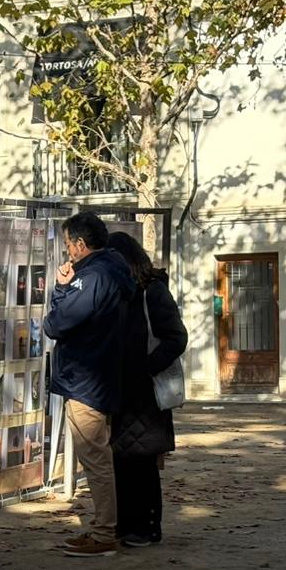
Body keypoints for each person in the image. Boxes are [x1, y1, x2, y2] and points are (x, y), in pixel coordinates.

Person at [43, 212, 136, 557]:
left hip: (86, 378)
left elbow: (57, 324)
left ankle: (103, 532)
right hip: (99, 374)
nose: (67, 252)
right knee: (98, 455)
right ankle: (104, 528)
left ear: (80, 245)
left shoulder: (93, 276)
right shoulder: (113, 271)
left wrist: (61, 289)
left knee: (94, 457)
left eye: (68, 244)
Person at [107, 231, 187, 547]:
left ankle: (145, 527)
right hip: (123, 388)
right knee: (124, 460)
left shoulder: (151, 292)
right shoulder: (119, 294)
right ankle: (129, 525)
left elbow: (176, 337)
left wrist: (145, 367)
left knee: (142, 461)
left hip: (147, 390)